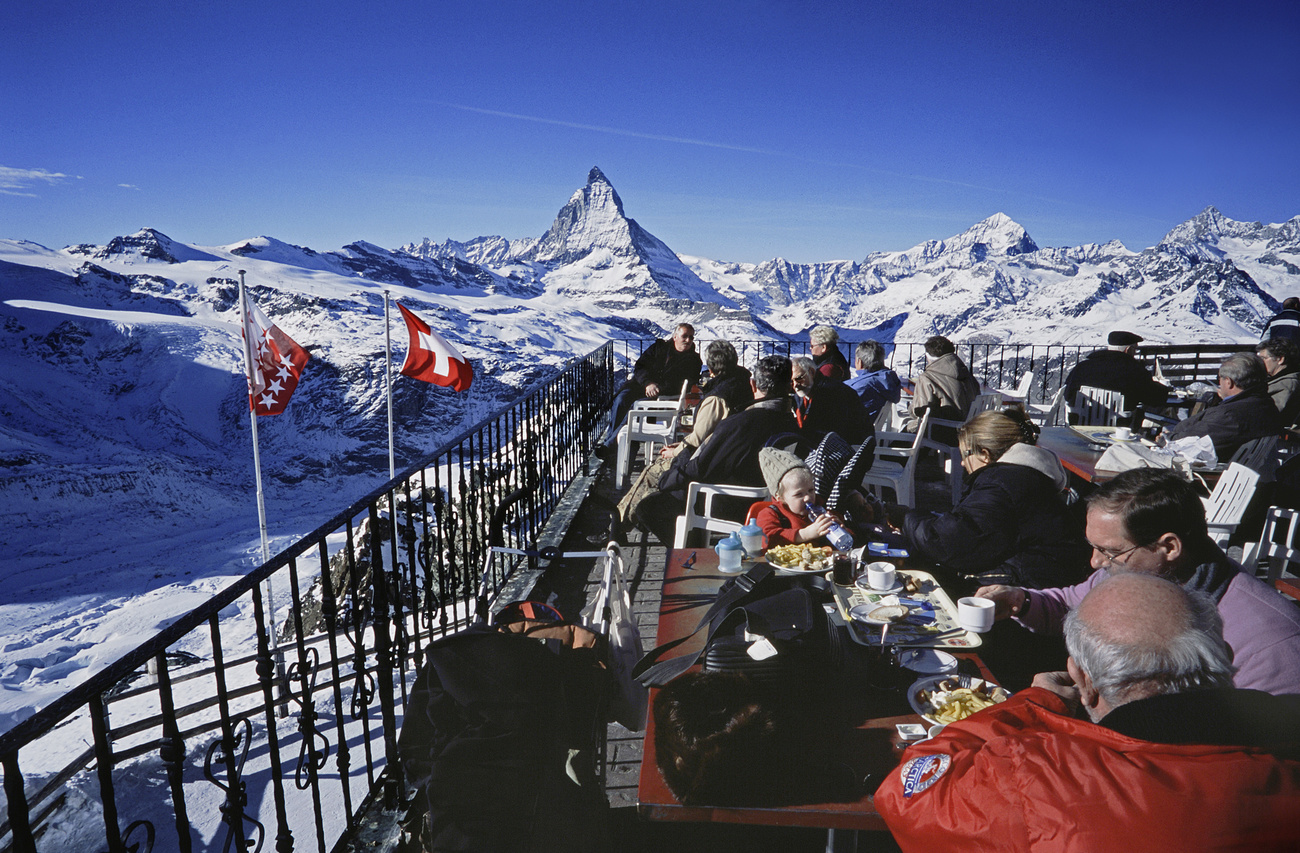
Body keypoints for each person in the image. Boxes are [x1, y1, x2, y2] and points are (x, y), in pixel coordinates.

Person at [876, 573, 1300, 852]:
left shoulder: (1042, 778)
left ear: (1083, 678)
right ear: (1224, 655)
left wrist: (1035, 703)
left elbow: (908, 793)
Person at [976, 467, 1300, 695]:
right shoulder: (1134, 576)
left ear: (1169, 547)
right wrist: (1022, 601)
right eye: (1094, 547)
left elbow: (1272, 764)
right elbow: (1071, 603)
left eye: (1110, 551)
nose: (1095, 563)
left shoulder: (1272, 640)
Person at [893, 408, 1090, 593]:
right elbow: (972, 524)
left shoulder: (1001, 483)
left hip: (1026, 589)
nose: (962, 463)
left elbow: (950, 542)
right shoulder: (1023, 476)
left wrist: (905, 518)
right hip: (1042, 579)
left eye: (965, 454)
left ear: (985, 455)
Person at [633, 356, 796, 544]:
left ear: (753, 385)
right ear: (789, 385)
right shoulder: (790, 420)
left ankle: (692, 551)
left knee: (648, 507)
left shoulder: (741, 424)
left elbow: (702, 467)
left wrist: (667, 480)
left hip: (731, 501)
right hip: (767, 497)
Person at [601, 323, 702, 455]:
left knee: (633, 408)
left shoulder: (693, 360)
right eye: (685, 336)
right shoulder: (658, 348)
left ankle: (610, 447)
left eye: (691, 337)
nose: (688, 340)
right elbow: (640, 367)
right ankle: (611, 443)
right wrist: (648, 383)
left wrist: (658, 389)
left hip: (663, 396)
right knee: (621, 400)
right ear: (675, 336)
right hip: (640, 386)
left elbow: (685, 383)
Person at [1165, 352, 1282, 459]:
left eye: (1220, 378)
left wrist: (1169, 437)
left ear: (1228, 382)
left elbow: (1186, 442)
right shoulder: (1265, 404)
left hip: (1216, 473)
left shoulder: (1229, 415)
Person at [751, 447, 840, 547]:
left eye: (811, 490)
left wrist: (840, 530)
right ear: (779, 497)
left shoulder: (821, 509)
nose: (807, 498)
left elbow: (851, 541)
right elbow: (767, 538)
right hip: (784, 561)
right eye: (799, 494)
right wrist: (804, 534)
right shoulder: (770, 514)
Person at [1062, 329, 1170, 409]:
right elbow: (1154, 398)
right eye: (1135, 350)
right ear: (1128, 350)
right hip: (1121, 426)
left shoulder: (1082, 367)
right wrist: (1166, 389)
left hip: (1082, 423)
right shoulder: (1135, 371)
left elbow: (1068, 394)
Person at [902, 336, 980, 441]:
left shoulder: (927, 378)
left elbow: (920, 412)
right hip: (969, 430)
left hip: (944, 432)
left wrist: (911, 408)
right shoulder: (968, 376)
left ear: (928, 357)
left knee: (906, 432)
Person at [791, 357, 872, 445]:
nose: (795, 385)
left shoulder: (832, 393)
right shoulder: (803, 393)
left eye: (799, 378)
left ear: (812, 372)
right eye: (791, 381)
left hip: (849, 446)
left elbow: (833, 430)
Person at [845, 340, 901, 421]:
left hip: (851, 428)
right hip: (868, 426)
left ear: (859, 362)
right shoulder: (888, 380)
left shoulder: (860, 386)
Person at [1257, 336, 1300, 429]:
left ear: (1280, 359)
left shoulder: (1287, 385)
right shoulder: (1276, 379)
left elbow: (1268, 416)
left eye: (1263, 358)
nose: (1260, 362)